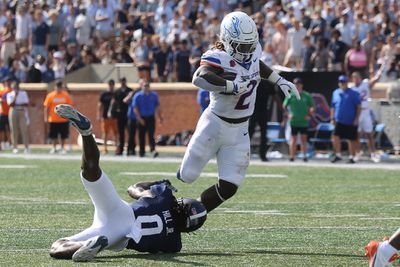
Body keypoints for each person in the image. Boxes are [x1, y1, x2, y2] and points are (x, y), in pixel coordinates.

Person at [49, 104, 207, 262]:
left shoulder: (165, 196)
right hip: (118, 236)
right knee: (59, 248)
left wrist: (158, 183)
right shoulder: (173, 244)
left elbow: (133, 190)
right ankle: (86, 245)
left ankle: (86, 133)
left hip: (120, 211)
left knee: (91, 173)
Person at [177, 11, 300, 213]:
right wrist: (230, 86)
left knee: (230, 185)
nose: (248, 50)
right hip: (215, 124)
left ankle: (193, 211)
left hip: (241, 129)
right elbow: (199, 77)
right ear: (227, 40)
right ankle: (154, 192)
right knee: (187, 176)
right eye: (242, 46)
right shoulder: (219, 57)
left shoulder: (251, 54)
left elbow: (256, 65)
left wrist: (279, 80)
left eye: (250, 45)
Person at [352, 68, 383, 162]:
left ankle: (373, 153)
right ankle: (358, 152)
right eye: (354, 78)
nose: (356, 79)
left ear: (360, 78)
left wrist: (380, 71)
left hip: (365, 112)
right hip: (357, 113)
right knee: (356, 135)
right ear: (352, 79)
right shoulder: (352, 89)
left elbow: (375, 80)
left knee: (369, 134)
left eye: (358, 78)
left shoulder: (365, 84)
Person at [330, 75, 361, 164]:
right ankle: (338, 155)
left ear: (347, 82)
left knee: (351, 139)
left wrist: (356, 119)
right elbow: (333, 107)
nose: (342, 83)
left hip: (350, 120)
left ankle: (352, 157)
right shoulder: (335, 92)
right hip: (339, 120)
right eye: (340, 82)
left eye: (343, 82)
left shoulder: (353, 93)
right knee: (335, 137)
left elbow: (359, 107)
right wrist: (332, 118)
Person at [282, 78, 315, 162]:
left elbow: (312, 106)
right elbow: (284, 106)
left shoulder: (306, 95)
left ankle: (304, 156)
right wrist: (288, 114)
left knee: (304, 139)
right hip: (294, 121)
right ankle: (292, 157)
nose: (297, 86)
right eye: (296, 84)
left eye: (299, 84)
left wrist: (310, 114)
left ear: (302, 85)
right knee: (293, 139)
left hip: (303, 122)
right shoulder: (291, 95)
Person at [132, 81, 163, 158]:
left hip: (150, 117)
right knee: (141, 135)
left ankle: (153, 150)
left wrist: (160, 117)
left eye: (147, 86)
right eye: (144, 86)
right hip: (141, 117)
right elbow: (135, 108)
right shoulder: (138, 95)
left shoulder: (154, 95)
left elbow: (157, 106)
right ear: (142, 87)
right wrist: (139, 119)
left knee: (151, 134)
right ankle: (141, 152)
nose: (146, 88)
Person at [248, 80, 277, 162]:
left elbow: (275, 95)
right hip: (253, 110)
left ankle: (263, 155)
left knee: (264, 134)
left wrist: (281, 107)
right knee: (249, 132)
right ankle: (244, 154)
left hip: (263, 111)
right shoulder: (253, 81)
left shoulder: (268, 83)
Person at [43, 80, 73, 154]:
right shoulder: (50, 95)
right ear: (55, 87)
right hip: (53, 119)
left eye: (60, 87)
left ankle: (62, 148)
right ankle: (54, 148)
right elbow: (46, 107)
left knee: (63, 135)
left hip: (63, 119)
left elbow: (70, 106)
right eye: (57, 87)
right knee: (53, 135)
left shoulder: (65, 95)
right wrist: (46, 117)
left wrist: (70, 116)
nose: (59, 88)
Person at [109, 77, 132, 155]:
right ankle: (121, 149)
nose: (123, 82)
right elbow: (113, 102)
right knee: (121, 133)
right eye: (121, 81)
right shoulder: (117, 91)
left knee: (130, 132)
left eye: (124, 81)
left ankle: (131, 149)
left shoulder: (130, 90)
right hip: (120, 115)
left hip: (128, 114)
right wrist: (111, 111)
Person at [6, 81, 30, 154]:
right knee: (14, 130)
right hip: (13, 111)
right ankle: (15, 147)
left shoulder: (23, 93)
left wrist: (17, 103)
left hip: (22, 111)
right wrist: (15, 97)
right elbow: (11, 104)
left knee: (24, 130)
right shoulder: (10, 94)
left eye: (16, 87)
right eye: (14, 88)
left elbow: (26, 103)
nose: (15, 89)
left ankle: (26, 147)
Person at [98, 79, 118, 154]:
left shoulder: (116, 93)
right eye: (110, 84)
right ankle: (105, 148)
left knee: (116, 133)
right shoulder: (104, 94)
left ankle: (117, 148)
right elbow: (100, 105)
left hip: (114, 117)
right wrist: (99, 115)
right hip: (105, 116)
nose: (111, 86)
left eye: (112, 84)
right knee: (105, 133)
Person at [0, 77, 12, 150]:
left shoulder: (12, 91)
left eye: (8, 81)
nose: (7, 83)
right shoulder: (2, 91)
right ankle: (3, 143)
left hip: (10, 112)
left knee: (10, 129)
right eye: (6, 82)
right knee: (2, 129)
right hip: (2, 112)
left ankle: (10, 143)